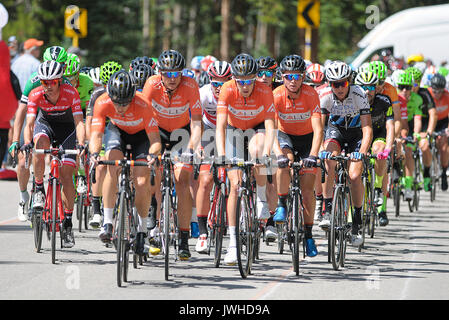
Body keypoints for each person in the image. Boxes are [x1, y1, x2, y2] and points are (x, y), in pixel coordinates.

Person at [89, 70, 161, 254]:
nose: (120, 107)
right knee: (111, 165)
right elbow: (97, 134)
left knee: (142, 181)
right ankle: (107, 223)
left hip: (141, 138)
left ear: (132, 96)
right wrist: (95, 153)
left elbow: (155, 141)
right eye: (117, 102)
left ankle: (142, 230)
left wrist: (153, 156)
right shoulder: (102, 102)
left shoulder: (144, 104)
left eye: (125, 102)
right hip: (118, 132)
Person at [215, 53, 276, 265]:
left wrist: (267, 153)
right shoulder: (227, 89)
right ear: (234, 79)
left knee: (258, 150)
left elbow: (270, 126)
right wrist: (222, 154)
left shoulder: (264, 90)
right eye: (241, 81)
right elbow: (220, 125)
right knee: (235, 185)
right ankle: (232, 245)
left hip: (257, 128)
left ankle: (260, 198)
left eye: (250, 80)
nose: (245, 85)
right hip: (234, 130)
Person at [142, 49, 202, 260]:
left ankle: (184, 238)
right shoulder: (151, 84)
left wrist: (192, 150)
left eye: (176, 74)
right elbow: (143, 116)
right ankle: (152, 209)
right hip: (156, 131)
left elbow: (196, 122)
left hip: (181, 134)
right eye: (167, 74)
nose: (172, 78)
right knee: (151, 169)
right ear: (160, 73)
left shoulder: (190, 86)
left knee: (182, 179)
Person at [24, 60, 85, 248]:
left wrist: (82, 144)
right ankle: (40, 188)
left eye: (52, 82)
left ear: (59, 81)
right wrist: (27, 143)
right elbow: (30, 124)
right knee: (39, 145)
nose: (48, 86)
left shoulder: (70, 93)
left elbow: (79, 123)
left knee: (67, 174)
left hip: (68, 130)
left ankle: (67, 222)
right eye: (44, 82)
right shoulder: (36, 95)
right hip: (46, 126)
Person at [271, 54, 323, 257]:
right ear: (282, 77)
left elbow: (319, 130)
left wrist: (313, 155)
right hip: (285, 136)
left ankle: (309, 235)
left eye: (297, 77)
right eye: (288, 77)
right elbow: (271, 129)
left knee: (308, 189)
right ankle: (282, 203)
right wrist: (277, 154)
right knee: (285, 163)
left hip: (308, 137)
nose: (292, 81)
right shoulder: (275, 95)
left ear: (303, 77)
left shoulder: (311, 95)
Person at [9, 46, 69, 222]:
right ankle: (23, 198)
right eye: (52, 64)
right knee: (22, 161)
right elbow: (21, 111)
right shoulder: (35, 80)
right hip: (34, 119)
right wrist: (15, 140)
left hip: (57, 121)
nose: (57, 69)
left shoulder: (66, 83)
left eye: (61, 65)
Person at [318, 61, 373, 247]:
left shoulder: (359, 94)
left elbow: (367, 128)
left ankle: (356, 218)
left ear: (349, 81)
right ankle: (327, 208)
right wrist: (320, 150)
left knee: (355, 175)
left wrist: (362, 153)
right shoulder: (324, 96)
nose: (340, 88)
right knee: (329, 162)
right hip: (336, 131)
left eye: (343, 83)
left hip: (357, 133)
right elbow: (319, 127)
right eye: (335, 84)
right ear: (329, 84)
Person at [194, 60, 232, 253]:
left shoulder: (234, 92)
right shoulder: (203, 94)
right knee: (205, 179)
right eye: (215, 83)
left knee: (237, 178)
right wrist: (199, 145)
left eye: (223, 83)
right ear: (210, 81)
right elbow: (196, 121)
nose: (219, 88)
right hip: (208, 131)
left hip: (232, 131)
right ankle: (202, 232)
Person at [85, 60, 122, 228]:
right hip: (101, 129)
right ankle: (97, 208)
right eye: (106, 84)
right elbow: (90, 123)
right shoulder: (97, 95)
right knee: (100, 167)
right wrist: (90, 144)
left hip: (116, 128)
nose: (109, 88)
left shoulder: (124, 92)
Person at [354, 71, 394, 226]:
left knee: (379, 151)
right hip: (359, 136)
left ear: (376, 88)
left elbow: (390, 126)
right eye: (362, 86)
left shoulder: (384, 101)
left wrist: (388, 148)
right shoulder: (352, 101)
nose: (366, 90)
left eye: (370, 86)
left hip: (378, 134)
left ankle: (377, 188)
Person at [407, 66, 437, 192]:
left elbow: (433, 114)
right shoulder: (404, 92)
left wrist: (429, 131)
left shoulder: (424, 93)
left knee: (424, 146)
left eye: (415, 84)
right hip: (409, 124)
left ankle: (426, 174)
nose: (412, 87)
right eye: (410, 83)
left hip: (423, 124)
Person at [396, 70, 423, 201]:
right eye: (401, 87)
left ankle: (408, 186)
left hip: (410, 125)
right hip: (397, 125)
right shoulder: (395, 97)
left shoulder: (417, 99)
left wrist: (416, 133)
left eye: (408, 88)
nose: (405, 91)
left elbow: (417, 119)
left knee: (408, 151)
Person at [428, 74, 449, 190]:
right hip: (430, 121)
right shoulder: (427, 94)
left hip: (443, 122)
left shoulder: (447, 96)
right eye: (435, 91)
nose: (437, 94)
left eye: (440, 91)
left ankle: (444, 172)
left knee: (444, 146)